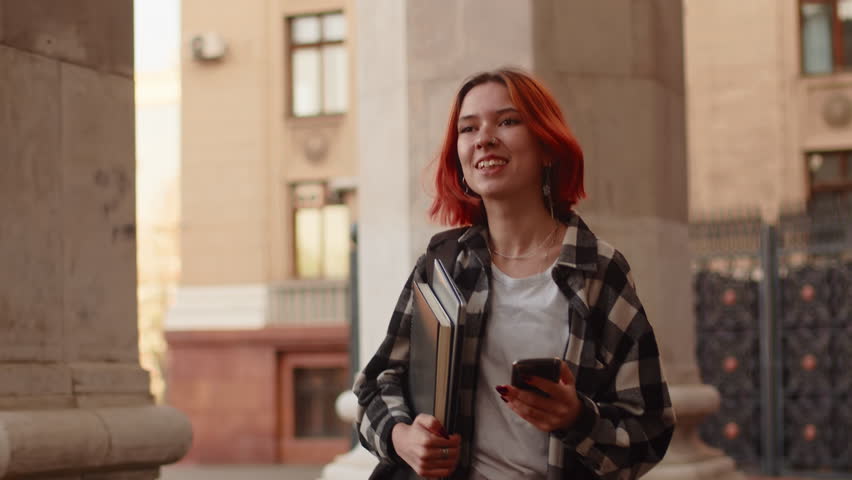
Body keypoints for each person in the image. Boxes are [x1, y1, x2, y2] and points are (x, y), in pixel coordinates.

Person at [353, 68, 675, 480]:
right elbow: (375, 384)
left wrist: (577, 416)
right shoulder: (443, 264)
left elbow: (651, 428)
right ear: (460, 157)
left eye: (507, 121)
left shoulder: (598, 270)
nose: (484, 137)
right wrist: (403, 438)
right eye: (468, 128)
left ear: (547, 146)